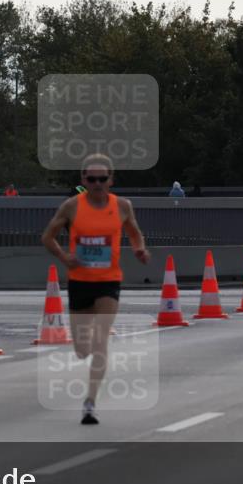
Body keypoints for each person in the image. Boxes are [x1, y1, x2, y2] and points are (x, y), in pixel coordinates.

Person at [41, 153, 150, 425]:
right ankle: (84, 347)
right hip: (79, 281)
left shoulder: (123, 206)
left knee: (101, 339)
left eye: (103, 179)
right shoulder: (71, 207)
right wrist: (65, 257)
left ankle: (90, 402)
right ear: (83, 180)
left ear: (111, 179)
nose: (98, 184)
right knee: (81, 349)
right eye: (92, 179)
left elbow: (134, 232)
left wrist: (139, 249)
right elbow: (47, 237)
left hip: (108, 281)